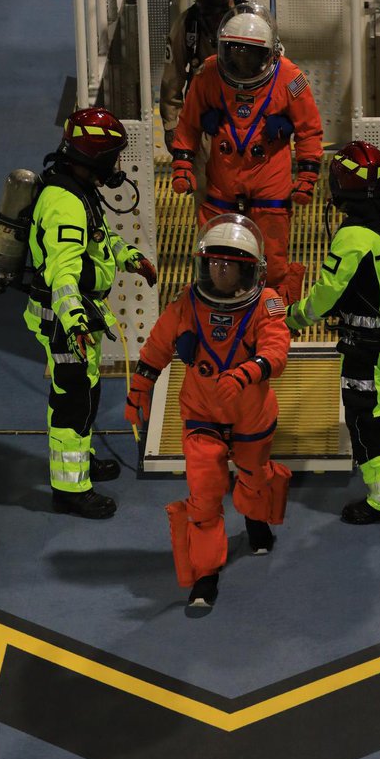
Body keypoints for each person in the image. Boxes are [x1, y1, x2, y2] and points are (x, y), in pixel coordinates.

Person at [124, 214, 291, 615]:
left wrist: (247, 372)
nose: (219, 270)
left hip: (250, 415)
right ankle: (205, 573)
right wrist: (139, 388)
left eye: (229, 265)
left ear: (249, 270)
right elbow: (158, 346)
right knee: (204, 495)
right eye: (213, 262)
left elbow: (277, 352)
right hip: (202, 414)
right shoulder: (187, 303)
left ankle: (255, 520)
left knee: (253, 478)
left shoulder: (265, 304)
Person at [24, 108, 157, 519]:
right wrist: (74, 321)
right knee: (73, 402)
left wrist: (128, 255)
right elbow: (63, 271)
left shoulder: (77, 188)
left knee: (86, 390)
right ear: (96, 157)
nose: (117, 164)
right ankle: (71, 489)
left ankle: (79, 460)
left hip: (79, 314)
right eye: (112, 156)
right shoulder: (64, 202)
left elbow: (96, 240)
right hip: (67, 318)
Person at [286, 141, 380, 523]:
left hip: (366, 350)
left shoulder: (352, 238)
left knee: (365, 417)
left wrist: (292, 318)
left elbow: (325, 298)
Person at [170, 3, 323, 305]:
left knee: (274, 259)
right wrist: (182, 165)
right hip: (222, 180)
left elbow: (309, 128)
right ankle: (216, 309)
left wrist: (307, 175)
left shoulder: (290, 78)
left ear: (268, 54)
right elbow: (187, 123)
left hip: (269, 180)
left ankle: (275, 317)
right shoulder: (210, 73)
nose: (240, 59)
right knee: (215, 250)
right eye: (234, 51)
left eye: (249, 53)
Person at [159, 0, 241, 156]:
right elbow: (172, 79)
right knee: (202, 180)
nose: (214, 22)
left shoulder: (250, 21)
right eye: (208, 15)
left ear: (230, 1)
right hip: (205, 116)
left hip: (248, 112)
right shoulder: (188, 24)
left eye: (218, 14)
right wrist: (172, 126)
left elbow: (275, 71)